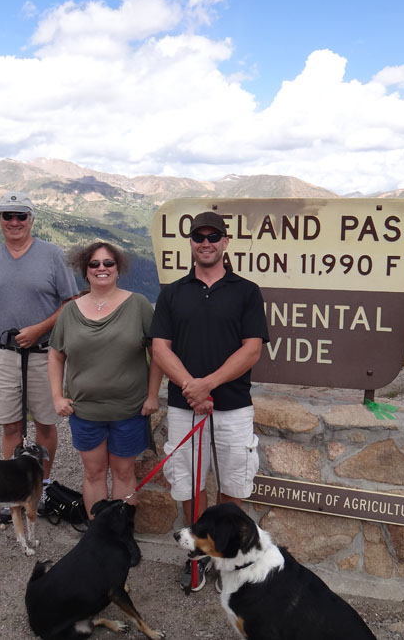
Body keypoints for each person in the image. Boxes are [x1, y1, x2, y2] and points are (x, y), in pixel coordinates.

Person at [150, 211, 269, 592]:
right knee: (189, 484)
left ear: (225, 241)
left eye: (213, 236)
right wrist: (191, 388)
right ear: (191, 242)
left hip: (233, 405)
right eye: (199, 237)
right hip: (185, 406)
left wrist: (209, 385)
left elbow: (252, 349)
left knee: (232, 483)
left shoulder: (246, 291)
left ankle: (227, 558)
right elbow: (159, 348)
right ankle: (200, 554)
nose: (206, 243)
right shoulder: (173, 293)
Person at [0, 192, 79, 517]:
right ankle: (14, 490)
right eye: (8, 216)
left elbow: (71, 302)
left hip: (45, 354)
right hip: (4, 355)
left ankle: (41, 486)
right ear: (0, 220)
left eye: (21, 216)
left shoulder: (52, 255)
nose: (15, 222)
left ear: (31, 219)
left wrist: (39, 328)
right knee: (10, 426)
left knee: (45, 423)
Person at [48, 242, 163, 523]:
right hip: (85, 411)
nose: (102, 268)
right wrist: (57, 397)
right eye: (95, 264)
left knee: (124, 473)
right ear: (85, 270)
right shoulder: (70, 311)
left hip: (129, 409)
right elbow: (56, 355)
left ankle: (120, 535)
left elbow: (158, 353)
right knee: (94, 474)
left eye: (108, 263)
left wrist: (152, 395)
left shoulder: (138, 305)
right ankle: (98, 535)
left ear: (118, 268)